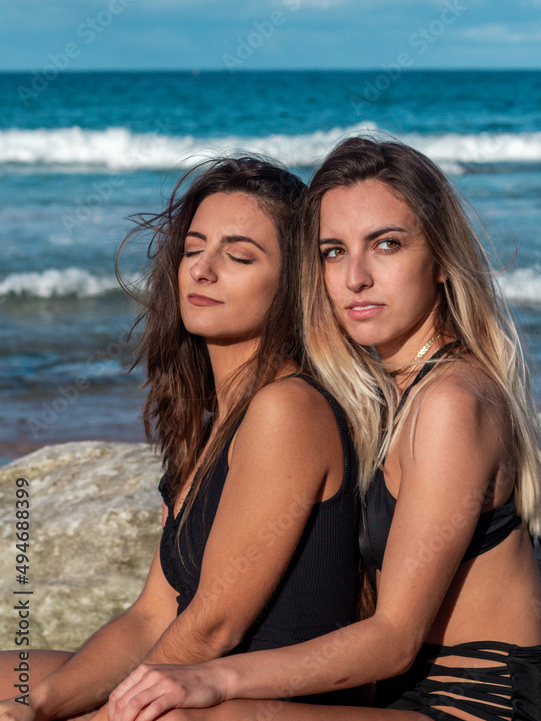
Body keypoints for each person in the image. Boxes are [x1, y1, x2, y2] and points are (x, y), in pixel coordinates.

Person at [103, 136, 541, 721]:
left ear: (443, 260)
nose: (356, 278)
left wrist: (213, 680)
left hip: (469, 711)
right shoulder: (382, 391)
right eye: (332, 252)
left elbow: (395, 637)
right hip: (392, 704)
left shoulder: (450, 401)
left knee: (188, 716)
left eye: (387, 245)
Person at [0, 156, 361, 721]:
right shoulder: (213, 421)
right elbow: (150, 617)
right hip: (188, 682)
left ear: (294, 282)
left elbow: (212, 627)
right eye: (194, 249)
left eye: (239, 256)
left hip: (255, 704)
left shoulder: (288, 408)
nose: (202, 270)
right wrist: (36, 704)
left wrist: (101, 717)